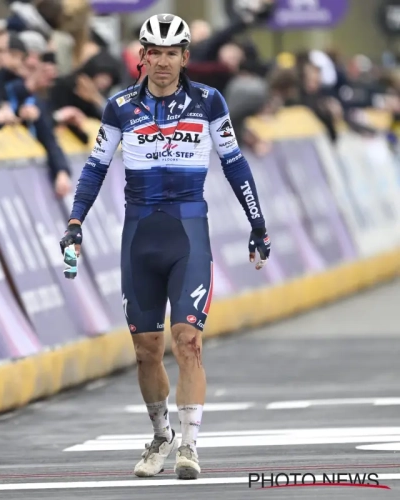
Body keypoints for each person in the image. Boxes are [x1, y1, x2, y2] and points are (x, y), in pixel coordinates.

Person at [59, 13, 271, 480]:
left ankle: (190, 445)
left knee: (188, 341)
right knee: (146, 350)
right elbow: (94, 169)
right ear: (142, 56)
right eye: (153, 52)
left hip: (189, 232)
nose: (162, 62)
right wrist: (76, 222)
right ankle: (161, 433)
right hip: (139, 236)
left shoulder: (209, 102)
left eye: (171, 53)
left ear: (185, 57)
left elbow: (235, 165)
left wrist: (258, 223)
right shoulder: (118, 107)